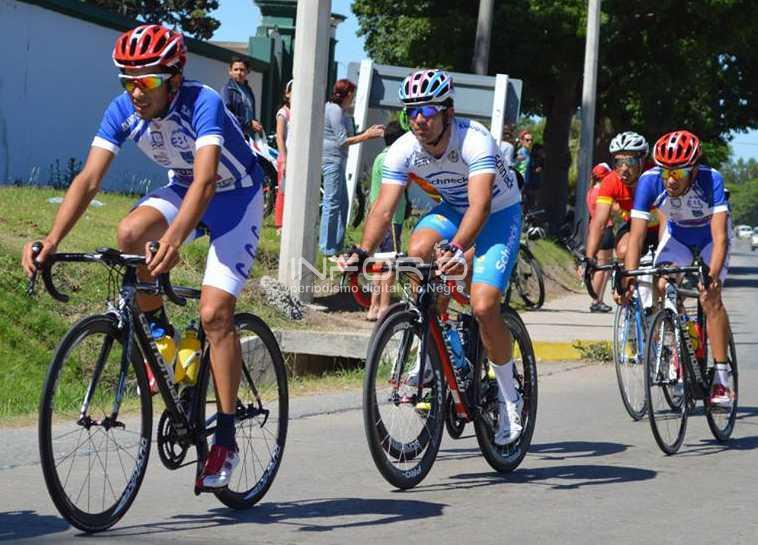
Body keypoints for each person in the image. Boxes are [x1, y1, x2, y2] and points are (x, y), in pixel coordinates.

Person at [21, 25, 263, 489]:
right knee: (129, 232)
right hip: (183, 188)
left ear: (174, 79)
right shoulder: (122, 110)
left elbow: (207, 181)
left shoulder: (204, 102)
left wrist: (174, 239)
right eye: (127, 81)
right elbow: (89, 180)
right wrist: (51, 239)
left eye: (147, 81)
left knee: (215, 315)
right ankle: (160, 334)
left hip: (236, 195)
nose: (136, 92)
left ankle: (226, 438)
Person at [338, 69, 524, 446]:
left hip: (497, 212)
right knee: (418, 251)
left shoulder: (474, 139)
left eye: (426, 110)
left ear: (447, 112)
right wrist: (361, 251)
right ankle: (432, 342)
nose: (418, 119)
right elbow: (383, 209)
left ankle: (510, 398)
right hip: (453, 209)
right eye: (411, 111)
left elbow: (481, 206)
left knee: (484, 305)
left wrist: (457, 248)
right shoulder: (404, 148)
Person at [621, 130, 734, 406]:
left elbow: (720, 238)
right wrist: (628, 277)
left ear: (693, 170)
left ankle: (722, 377)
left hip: (710, 239)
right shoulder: (649, 181)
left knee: (709, 296)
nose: (670, 180)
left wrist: (711, 276)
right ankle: (683, 342)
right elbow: (636, 236)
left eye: (678, 173)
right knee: (662, 284)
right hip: (678, 237)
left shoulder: (711, 179)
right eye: (665, 172)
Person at [321, 79, 384, 257]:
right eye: (353, 95)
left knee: (342, 203)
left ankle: (337, 245)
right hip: (331, 160)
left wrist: (367, 132)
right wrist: (367, 136)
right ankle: (327, 248)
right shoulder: (334, 110)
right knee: (332, 203)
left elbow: (350, 136)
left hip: (338, 160)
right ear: (348, 94)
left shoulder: (339, 110)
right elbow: (342, 141)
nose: (353, 98)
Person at [584, 131, 659, 275]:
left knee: (665, 273)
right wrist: (589, 257)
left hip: (662, 228)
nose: (624, 168)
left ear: (642, 160)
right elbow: (599, 223)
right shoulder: (610, 181)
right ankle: (627, 287)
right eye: (618, 162)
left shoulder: (656, 176)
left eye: (630, 161)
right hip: (634, 226)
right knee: (623, 252)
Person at [366, 121, 407, 321]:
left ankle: (373, 306)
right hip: (392, 217)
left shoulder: (379, 158)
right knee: (390, 262)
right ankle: (384, 307)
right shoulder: (395, 159)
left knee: (379, 262)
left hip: (376, 215)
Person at [584, 162, 614, 312]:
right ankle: (596, 299)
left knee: (601, 266)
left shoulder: (590, 191)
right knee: (603, 267)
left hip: (594, 229)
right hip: (605, 229)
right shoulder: (602, 193)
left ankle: (598, 299)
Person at [221, 57, 262, 139]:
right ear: (230, 71)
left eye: (242, 70)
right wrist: (249, 124)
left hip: (248, 137)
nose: (239, 73)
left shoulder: (248, 90)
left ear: (248, 71)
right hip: (234, 136)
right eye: (235, 69)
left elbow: (249, 114)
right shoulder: (227, 90)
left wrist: (256, 124)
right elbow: (227, 115)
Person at [274, 79, 292, 234]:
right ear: (287, 94)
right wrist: (284, 158)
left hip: (297, 158)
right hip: (285, 158)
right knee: (283, 190)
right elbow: (279, 136)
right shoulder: (283, 113)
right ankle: (279, 224)